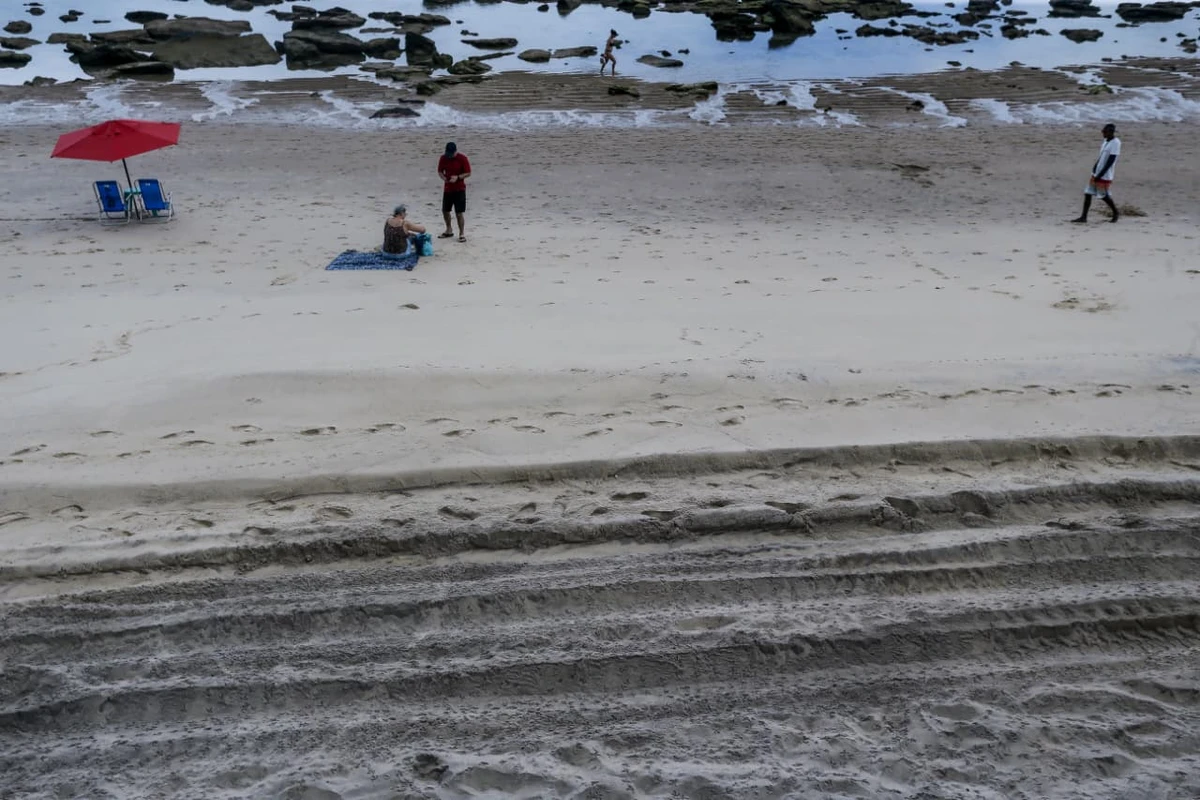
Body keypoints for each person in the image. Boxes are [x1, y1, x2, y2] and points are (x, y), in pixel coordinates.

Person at [1072, 123, 1121, 224]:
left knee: (1103, 196)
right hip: (1097, 172)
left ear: (1111, 132)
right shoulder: (1105, 141)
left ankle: (1116, 213)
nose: (1102, 133)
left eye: (1104, 131)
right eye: (1102, 131)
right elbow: (1101, 157)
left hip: (1105, 175)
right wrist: (1095, 169)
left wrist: (1100, 174)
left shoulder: (1116, 143)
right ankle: (1083, 217)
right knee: (1088, 193)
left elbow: (1110, 162)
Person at [437, 141, 471, 242]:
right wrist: (444, 178)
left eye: (451, 154)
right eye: (448, 154)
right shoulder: (443, 158)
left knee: (459, 213)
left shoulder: (462, 158)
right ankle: (449, 229)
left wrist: (458, 177)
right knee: (445, 210)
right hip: (448, 189)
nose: (450, 156)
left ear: (455, 151)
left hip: (459, 189)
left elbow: (468, 172)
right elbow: (440, 171)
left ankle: (461, 233)